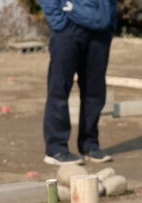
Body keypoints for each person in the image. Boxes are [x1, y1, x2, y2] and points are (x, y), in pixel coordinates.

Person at [38, 0, 117, 165]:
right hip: (68, 28)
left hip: (101, 30)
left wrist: (110, 20)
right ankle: (56, 149)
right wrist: (60, 22)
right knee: (59, 89)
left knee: (95, 92)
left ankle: (90, 145)